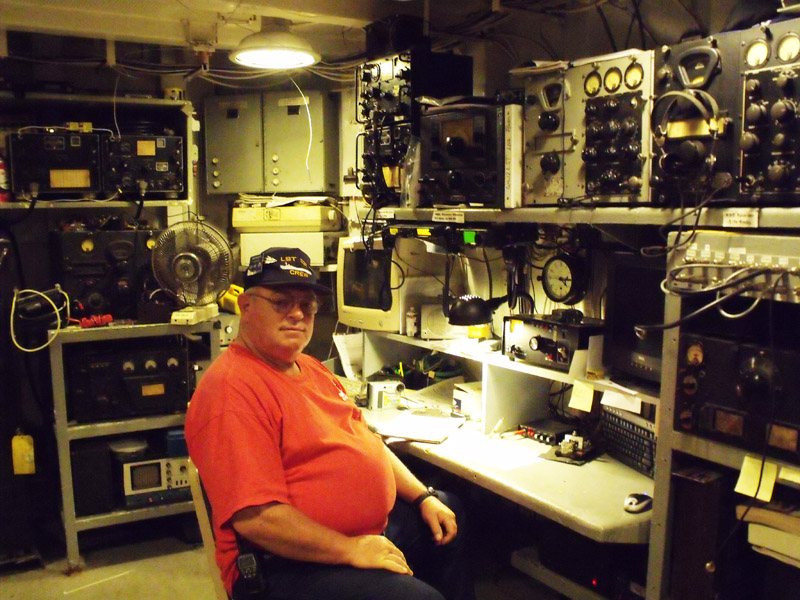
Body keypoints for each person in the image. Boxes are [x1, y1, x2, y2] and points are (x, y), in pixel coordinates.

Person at [185, 247, 475, 600]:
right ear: (246, 307)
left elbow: (368, 442)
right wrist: (351, 550)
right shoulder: (233, 391)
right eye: (280, 302)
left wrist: (423, 497)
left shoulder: (309, 367)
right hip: (283, 563)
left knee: (448, 511)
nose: (296, 314)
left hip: (355, 537)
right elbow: (258, 520)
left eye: (306, 305)